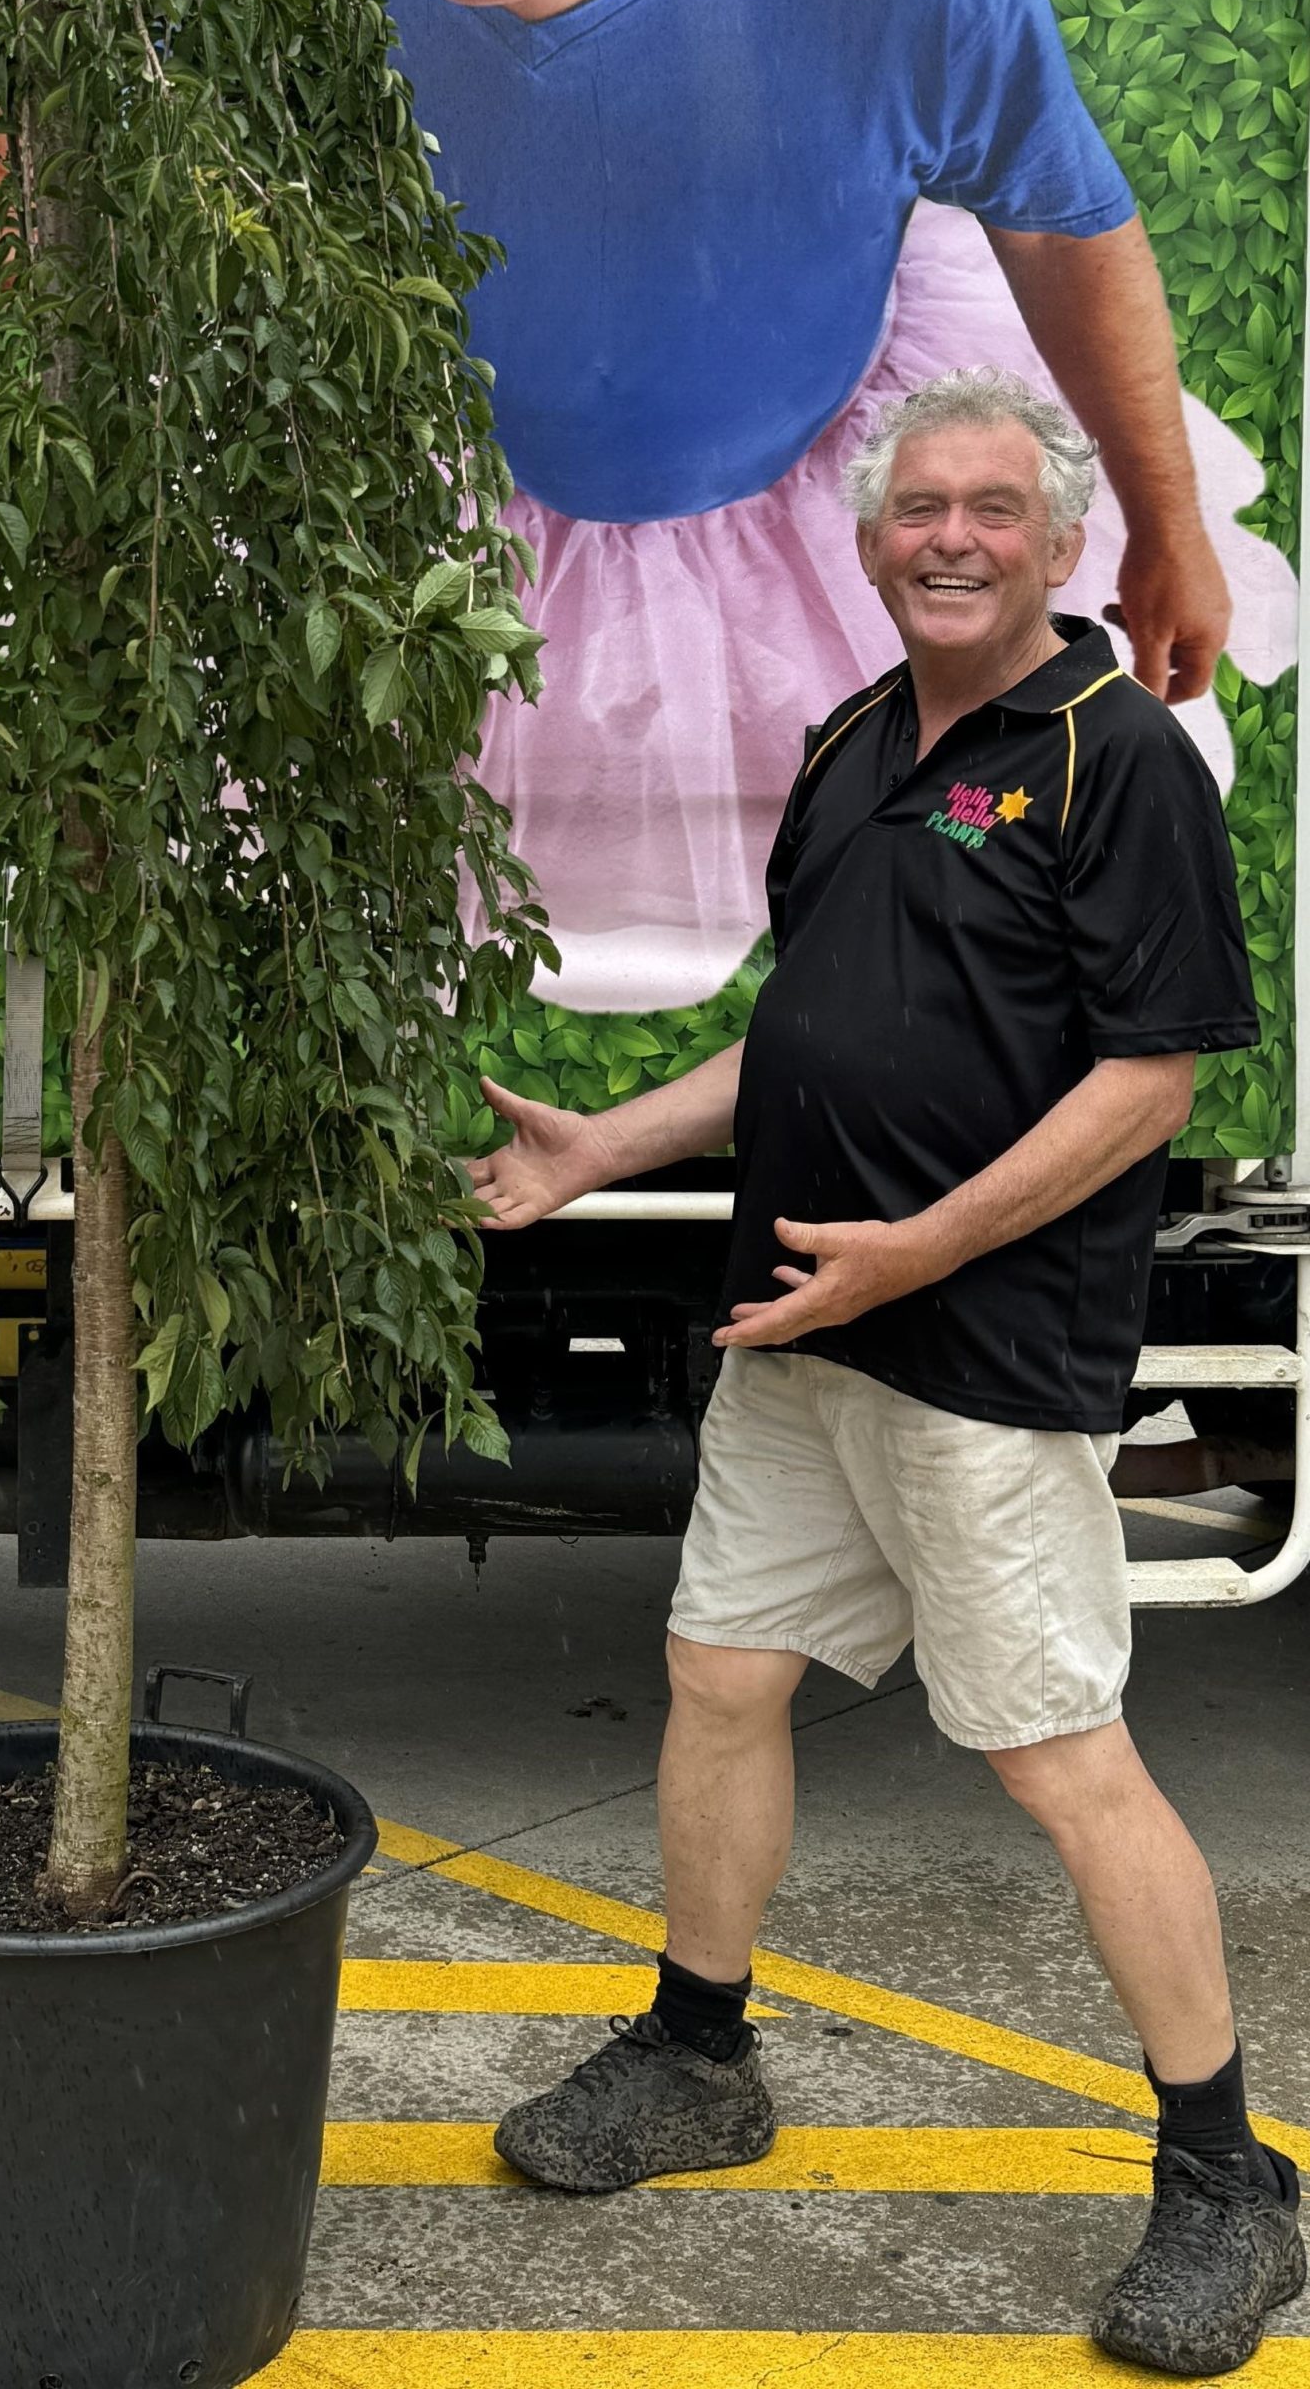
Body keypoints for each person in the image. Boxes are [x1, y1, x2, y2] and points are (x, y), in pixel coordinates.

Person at [467, 368, 1303, 2375]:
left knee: (1051, 1747)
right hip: (801, 1331)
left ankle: (1228, 2176)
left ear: (1059, 538)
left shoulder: (1120, 760)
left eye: (993, 509)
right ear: (868, 539)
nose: (950, 536)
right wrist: (609, 1140)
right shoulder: (856, 739)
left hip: (982, 1352)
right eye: (919, 506)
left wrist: (927, 1244)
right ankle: (697, 2050)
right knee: (722, 1675)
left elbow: (1154, 1071)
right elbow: (812, 1032)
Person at [257, 0, 1295, 1012]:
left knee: (950, 839)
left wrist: (1164, 521)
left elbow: (1055, 226)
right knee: (419, 842)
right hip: (438, 499)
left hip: (818, 498)